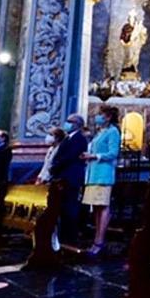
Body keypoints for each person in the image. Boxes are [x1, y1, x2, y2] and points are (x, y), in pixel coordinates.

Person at [81, 106, 121, 257]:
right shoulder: (100, 132)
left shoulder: (113, 131)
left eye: (100, 114)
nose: (97, 116)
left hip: (103, 174)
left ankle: (99, 241)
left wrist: (94, 156)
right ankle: (96, 238)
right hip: (93, 173)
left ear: (108, 116)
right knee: (96, 207)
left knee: (103, 206)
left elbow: (113, 153)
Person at [51, 114, 88, 245]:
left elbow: (70, 156)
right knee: (62, 208)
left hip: (71, 177)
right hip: (62, 176)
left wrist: (56, 165)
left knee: (70, 207)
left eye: (69, 121)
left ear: (77, 124)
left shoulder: (80, 139)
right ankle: (62, 237)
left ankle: (70, 238)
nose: (66, 123)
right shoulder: (67, 139)